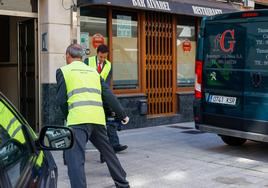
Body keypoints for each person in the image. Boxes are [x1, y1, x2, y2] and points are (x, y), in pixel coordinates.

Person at [56, 43, 130, 188]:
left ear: (67, 55)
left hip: (77, 120)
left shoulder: (63, 71)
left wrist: (68, 116)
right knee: (108, 151)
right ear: (81, 57)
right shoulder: (93, 72)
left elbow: (61, 100)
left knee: (75, 159)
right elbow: (108, 95)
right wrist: (123, 115)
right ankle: (123, 183)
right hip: (97, 118)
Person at [85, 44, 128, 154]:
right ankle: (80, 144)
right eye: (101, 57)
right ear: (97, 53)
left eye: (105, 57)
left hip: (103, 96)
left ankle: (114, 144)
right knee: (88, 122)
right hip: (89, 96)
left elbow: (107, 83)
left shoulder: (109, 65)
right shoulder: (87, 61)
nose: (103, 59)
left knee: (111, 119)